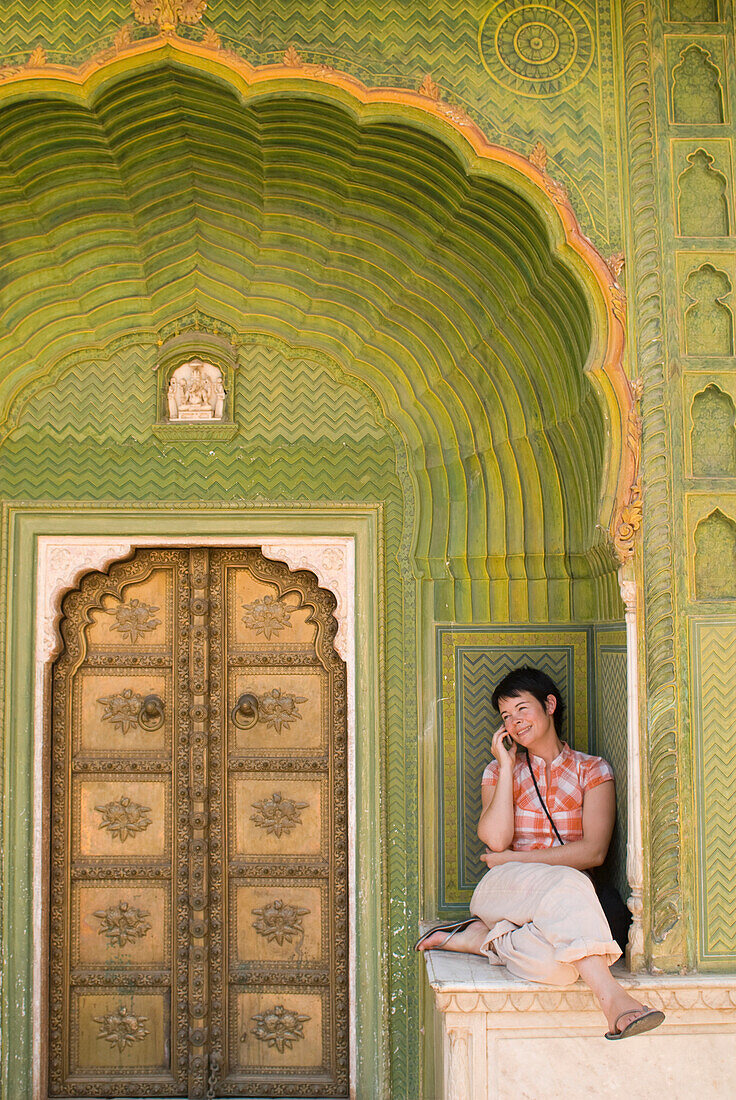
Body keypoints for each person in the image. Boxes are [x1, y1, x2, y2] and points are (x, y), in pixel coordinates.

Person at [417, 666, 664, 1041]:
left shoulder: (592, 771)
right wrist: (504, 766)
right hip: (504, 888)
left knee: (559, 967)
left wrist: (516, 858)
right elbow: (496, 841)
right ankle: (614, 1000)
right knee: (567, 881)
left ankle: (480, 940)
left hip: (559, 897)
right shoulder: (499, 772)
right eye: (506, 717)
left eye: (522, 709)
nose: (515, 723)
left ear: (549, 705)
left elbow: (594, 852)